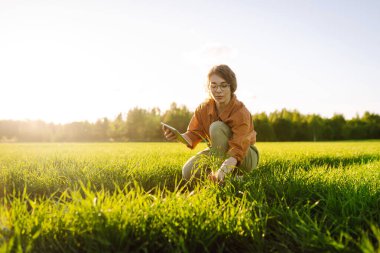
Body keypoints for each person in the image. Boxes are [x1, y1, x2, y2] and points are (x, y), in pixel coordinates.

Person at [162, 64, 259, 183]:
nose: (218, 90)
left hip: (244, 156)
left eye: (223, 86)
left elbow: (238, 149)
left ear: (231, 87)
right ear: (209, 87)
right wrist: (178, 137)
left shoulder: (241, 112)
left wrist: (222, 170)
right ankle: (233, 180)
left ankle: (227, 178)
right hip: (218, 152)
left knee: (216, 127)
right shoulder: (203, 109)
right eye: (214, 86)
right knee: (188, 171)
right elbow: (193, 134)